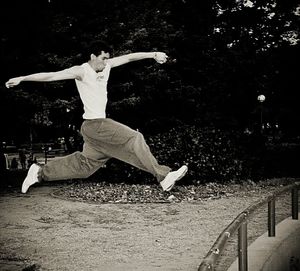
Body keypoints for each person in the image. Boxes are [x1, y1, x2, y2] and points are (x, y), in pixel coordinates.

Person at [5, 44, 188, 193]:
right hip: (95, 125)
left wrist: (153, 54)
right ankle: (163, 177)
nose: (106, 62)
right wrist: (22, 78)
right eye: (103, 58)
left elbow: (130, 57)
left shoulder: (106, 66)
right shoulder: (81, 71)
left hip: (95, 131)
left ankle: (39, 172)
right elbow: (52, 76)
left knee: (85, 167)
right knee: (135, 137)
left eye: (108, 58)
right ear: (93, 56)